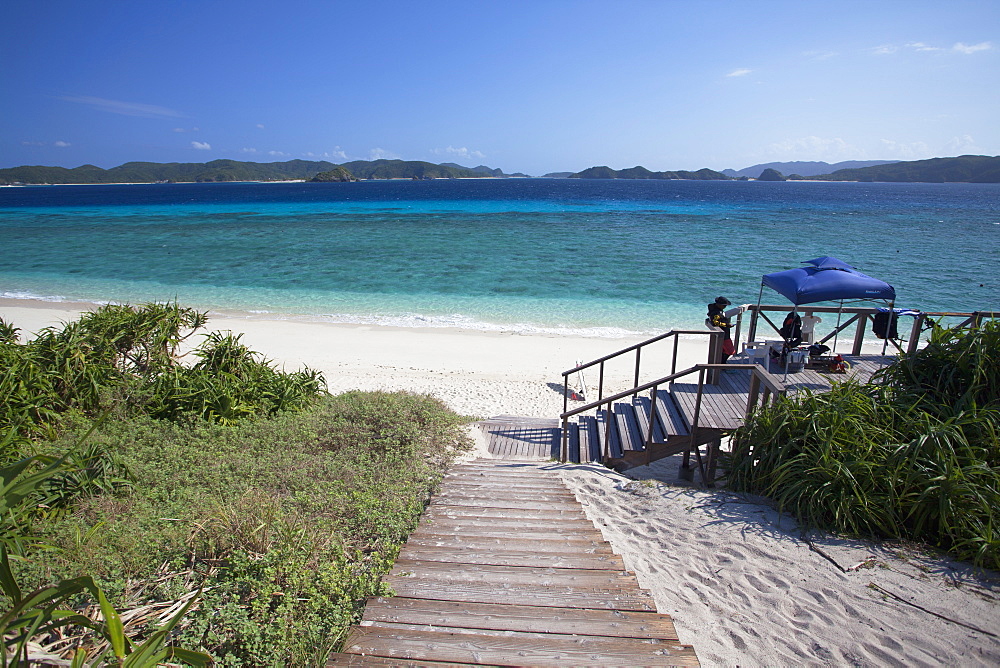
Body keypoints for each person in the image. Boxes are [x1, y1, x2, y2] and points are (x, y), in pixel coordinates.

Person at [706, 296, 738, 363]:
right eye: (724, 305)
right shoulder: (716, 313)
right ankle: (722, 364)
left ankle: (721, 363)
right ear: (718, 304)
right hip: (723, 334)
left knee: (723, 350)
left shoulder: (713, 309)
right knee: (730, 351)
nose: (725, 307)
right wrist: (726, 325)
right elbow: (715, 322)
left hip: (723, 333)